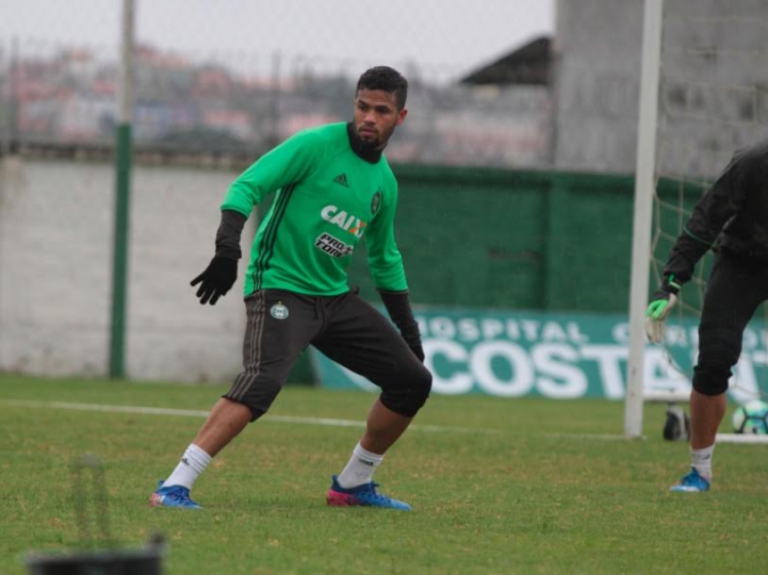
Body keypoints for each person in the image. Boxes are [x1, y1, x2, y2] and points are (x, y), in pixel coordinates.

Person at [149, 66, 432, 510]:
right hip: (280, 288)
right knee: (261, 383)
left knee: (412, 382)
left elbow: (385, 258)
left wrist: (409, 333)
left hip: (333, 299)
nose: (369, 118)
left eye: (381, 111)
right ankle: (173, 486)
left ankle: (353, 484)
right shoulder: (316, 146)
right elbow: (247, 186)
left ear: (401, 117)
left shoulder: (384, 184)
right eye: (362, 107)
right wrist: (227, 250)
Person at [645, 138, 768, 493]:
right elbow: (706, 219)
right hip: (742, 262)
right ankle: (699, 471)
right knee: (714, 358)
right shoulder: (753, 162)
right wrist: (671, 283)